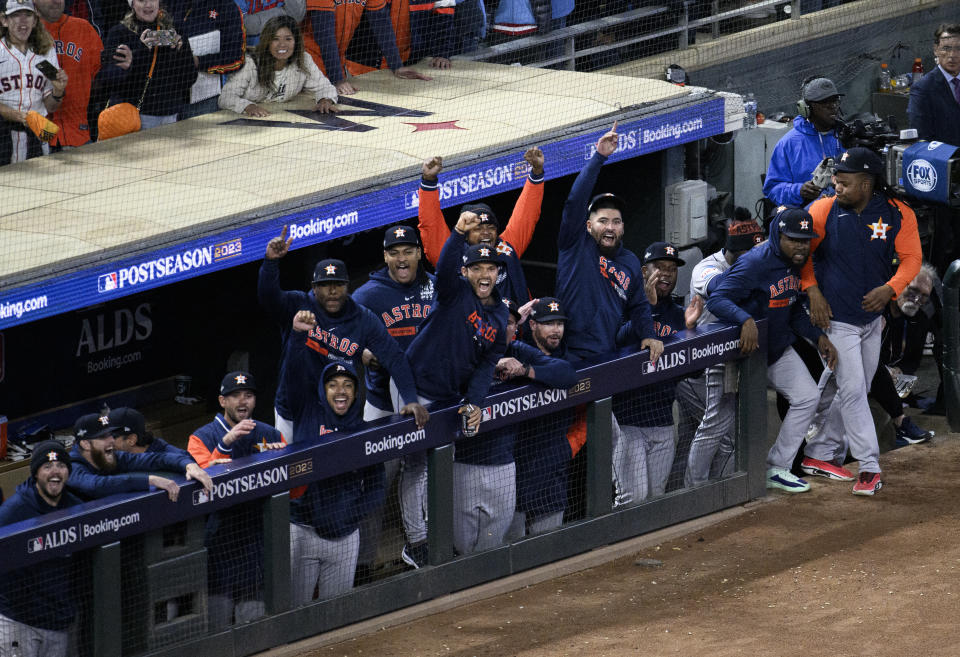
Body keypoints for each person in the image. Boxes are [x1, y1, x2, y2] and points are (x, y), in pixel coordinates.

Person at [801, 148, 922, 496]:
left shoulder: (898, 214)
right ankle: (870, 467)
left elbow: (912, 258)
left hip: (872, 320)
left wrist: (891, 289)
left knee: (858, 387)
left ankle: (821, 453)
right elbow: (801, 253)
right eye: (836, 181)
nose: (835, 187)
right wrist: (812, 291)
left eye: (844, 183)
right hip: (838, 321)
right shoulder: (823, 210)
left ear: (866, 184)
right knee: (854, 391)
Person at [401, 214, 510, 567]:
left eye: (490, 269)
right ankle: (416, 540)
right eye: (477, 268)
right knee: (414, 463)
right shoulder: (454, 292)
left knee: (432, 463)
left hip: (446, 394)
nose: (484, 275)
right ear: (467, 273)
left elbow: (484, 368)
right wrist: (458, 234)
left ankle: (432, 536)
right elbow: (445, 265)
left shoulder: (498, 319)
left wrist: (475, 403)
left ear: (498, 274)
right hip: (412, 382)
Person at [707, 206, 838, 494]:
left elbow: (791, 309)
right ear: (779, 236)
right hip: (746, 355)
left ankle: (776, 467)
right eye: (795, 239)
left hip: (776, 348)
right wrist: (745, 319)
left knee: (807, 397)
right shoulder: (755, 263)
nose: (802, 246)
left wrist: (817, 337)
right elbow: (716, 299)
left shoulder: (795, 262)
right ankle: (705, 488)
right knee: (723, 426)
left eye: (805, 240)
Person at [258, 232, 426, 441]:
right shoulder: (299, 304)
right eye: (326, 285)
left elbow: (394, 357)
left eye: (338, 284)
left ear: (347, 286)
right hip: (293, 406)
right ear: (314, 288)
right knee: (288, 470)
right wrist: (271, 263)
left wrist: (410, 399)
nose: (332, 291)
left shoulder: (362, 318)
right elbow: (268, 299)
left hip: (334, 410)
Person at [454, 298, 577, 554]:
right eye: (497, 322)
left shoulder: (519, 351)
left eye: (509, 323)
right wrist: (492, 366)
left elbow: (567, 374)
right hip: (462, 462)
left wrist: (526, 370)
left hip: (503, 464)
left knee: (495, 548)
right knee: (462, 549)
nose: (504, 328)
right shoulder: (464, 353)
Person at [350, 224, 434, 582]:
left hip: (424, 398)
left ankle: (417, 542)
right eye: (394, 252)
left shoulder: (435, 287)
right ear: (385, 257)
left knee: (420, 469)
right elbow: (341, 339)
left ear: (419, 253)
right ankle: (362, 563)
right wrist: (362, 350)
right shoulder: (368, 296)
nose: (402, 258)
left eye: (408, 250)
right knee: (374, 484)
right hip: (381, 404)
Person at [283, 334, 385, 603]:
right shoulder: (307, 412)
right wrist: (296, 336)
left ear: (356, 390)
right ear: (322, 389)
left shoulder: (363, 431)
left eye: (348, 385)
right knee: (296, 611)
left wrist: (351, 516)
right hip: (303, 531)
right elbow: (291, 372)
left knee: (337, 613)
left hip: (345, 537)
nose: (341, 391)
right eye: (333, 385)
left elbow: (377, 486)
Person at [555, 121, 662, 362]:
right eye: (603, 220)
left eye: (616, 221)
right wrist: (598, 158)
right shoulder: (575, 244)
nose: (610, 227)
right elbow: (575, 202)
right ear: (589, 225)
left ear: (623, 227)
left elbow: (639, 305)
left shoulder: (630, 262)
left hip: (606, 355)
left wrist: (647, 333)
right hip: (566, 352)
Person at [188, 371, 285, 629]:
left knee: (253, 627)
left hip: (257, 543)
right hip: (218, 543)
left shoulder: (271, 435)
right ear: (222, 401)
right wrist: (227, 442)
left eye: (249, 395)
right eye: (235, 396)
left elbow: (294, 490)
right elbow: (207, 486)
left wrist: (280, 460)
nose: (242, 402)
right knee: (217, 628)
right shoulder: (200, 438)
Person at [676, 217, 763, 488]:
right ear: (733, 252)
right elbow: (719, 290)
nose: (755, 260)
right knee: (721, 432)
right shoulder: (707, 268)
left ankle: (686, 490)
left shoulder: (749, 262)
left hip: (724, 361)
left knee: (693, 434)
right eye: (749, 255)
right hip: (697, 371)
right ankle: (700, 491)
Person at [613, 242, 701, 505]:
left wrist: (689, 332)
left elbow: (694, 371)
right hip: (627, 421)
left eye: (672, 269)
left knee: (656, 498)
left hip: (662, 420)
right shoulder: (622, 304)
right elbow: (618, 341)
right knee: (633, 498)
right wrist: (647, 309)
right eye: (659, 267)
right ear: (643, 271)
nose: (666, 274)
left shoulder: (678, 315)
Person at [418, 148, 545, 308]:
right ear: (465, 233)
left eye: (491, 227)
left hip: (513, 328)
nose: (486, 233)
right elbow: (431, 226)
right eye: (478, 228)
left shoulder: (506, 247)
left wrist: (537, 173)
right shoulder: (451, 256)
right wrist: (428, 181)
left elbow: (527, 215)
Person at [0, 442, 81, 657]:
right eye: (47, 467)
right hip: (17, 621)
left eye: (61, 466)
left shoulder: (75, 508)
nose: (55, 472)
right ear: (36, 473)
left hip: (56, 621)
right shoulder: (13, 512)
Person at [509, 296, 580, 538]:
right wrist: (514, 323)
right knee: (511, 554)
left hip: (552, 472)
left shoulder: (569, 358)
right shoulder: (517, 352)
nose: (556, 330)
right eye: (549, 323)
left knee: (548, 550)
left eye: (560, 324)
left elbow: (572, 381)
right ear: (532, 325)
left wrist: (570, 446)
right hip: (515, 473)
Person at [95, 0, 198, 131]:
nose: (148, 5)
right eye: (142, 0)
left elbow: (190, 80)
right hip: (133, 119)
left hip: (172, 117)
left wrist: (182, 52)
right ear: (132, 4)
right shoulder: (119, 32)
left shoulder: (174, 30)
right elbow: (107, 81)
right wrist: (137, 56)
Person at [907, 23, 960, 274]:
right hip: (945, 183)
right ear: (935, 50)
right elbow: (922, 140)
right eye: (947, 48)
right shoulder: (924, 88)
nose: (953, 55)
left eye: (959, 49)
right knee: (947, 248)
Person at [67, 412, 213, 500]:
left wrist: (189, 465)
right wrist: (149, 480)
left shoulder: (111, 456)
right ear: (86, 444)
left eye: (111, 435)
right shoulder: (70, 467)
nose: (111, 440)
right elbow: (96, 485)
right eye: (103, 437)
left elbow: (156, 459)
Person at [301, 0, 430, 96]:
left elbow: (380, 20)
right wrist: (337, 79)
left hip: (335, 64)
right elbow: (324, 34)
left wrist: (396, 65)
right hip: (306, 65)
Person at [218, 15, 339, 116]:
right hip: (245, 122)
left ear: (296, 42)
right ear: (267, 42)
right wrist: (248, 107)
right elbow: (225, 98)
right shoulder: (250, 63)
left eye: (288, 39)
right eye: (275, 39)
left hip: (279, 118)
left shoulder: (303, 59)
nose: (282, 45)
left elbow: (325, 86)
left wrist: (325, 100)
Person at [0, 0, 68, 164]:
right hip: (3, 134)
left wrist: (58, 92)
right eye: (16, 15)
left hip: (39, 132)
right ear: (4, 20)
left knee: (43, 185)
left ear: (35, 20)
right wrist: (18, 116)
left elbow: (51, 106)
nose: (23, 21)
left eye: (28, 15)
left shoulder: (46, 51)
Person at [763, 77, 845, 208]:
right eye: (825, 102)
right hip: (809, 219)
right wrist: (798, 191)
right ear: (806, 108)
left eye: (835, 101)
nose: (832, 107)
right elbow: (772, 190)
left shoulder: (847, 136)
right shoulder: (789, 144)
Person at [36, 0, 102, 148]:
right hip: (38, 139)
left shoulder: (83, 28)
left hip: (79, 134)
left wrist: (124, 67)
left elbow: (100, 77)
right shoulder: (25, 34)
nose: (56, 1)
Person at [168, 0, 245, 117]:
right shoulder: (165, 4)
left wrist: (198, 61)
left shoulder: (226, 6)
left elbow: (236, 59)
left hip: (204, 101)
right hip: (165, 98)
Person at [110, 406, 191, 456]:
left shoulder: (176, 459)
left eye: (112, 436)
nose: (105, 442)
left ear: (132, 440)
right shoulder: (114, 462)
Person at [234, 0, 304, 47]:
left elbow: (296, 16)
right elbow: (244, 25)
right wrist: (283, 12)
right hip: (248, 52)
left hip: (283, 51)